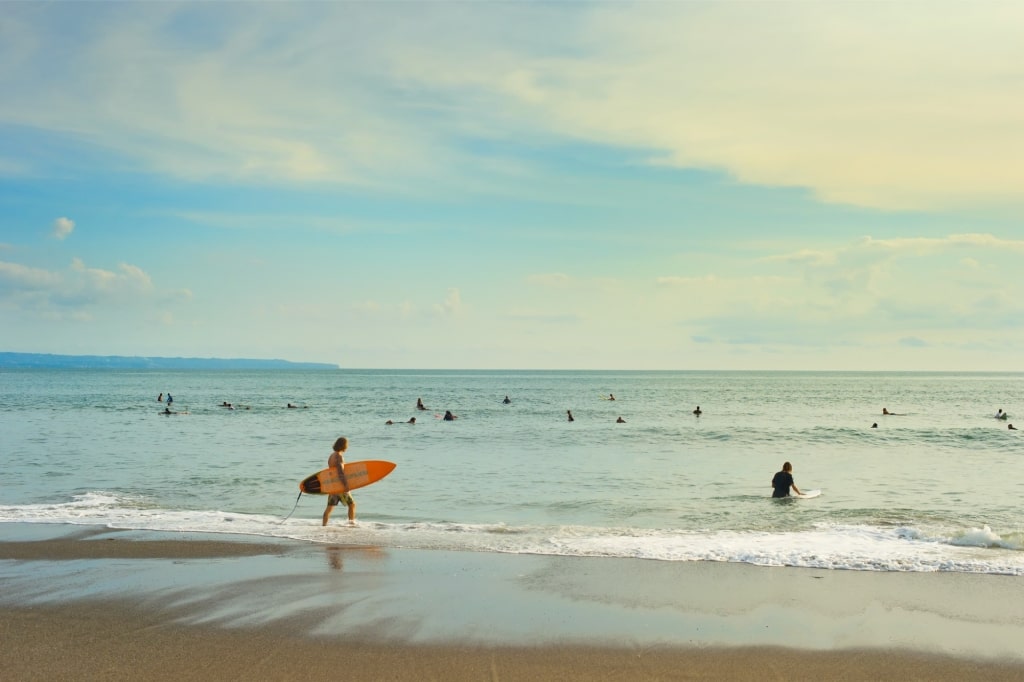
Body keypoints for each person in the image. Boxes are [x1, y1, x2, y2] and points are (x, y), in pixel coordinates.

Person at [322, 437, 355, 526]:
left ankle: (323, 526)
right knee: (352, 505)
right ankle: (351, 524)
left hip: (333, 486)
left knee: (329, 508)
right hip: (340, 486)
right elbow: (340, 472)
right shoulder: (339, 457)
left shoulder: (331, 456)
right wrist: (345, 485)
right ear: (344, 445)